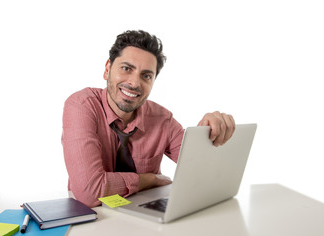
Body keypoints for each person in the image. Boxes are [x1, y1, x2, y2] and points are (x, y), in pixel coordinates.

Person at [62, 30, 235, 207]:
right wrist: (147, 180)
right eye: (126, 68)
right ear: (107, 69)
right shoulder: (81, 106)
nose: (135, 83)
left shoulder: (162, 119)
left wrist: (209, 134)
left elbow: (203, 168)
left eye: (146, 75)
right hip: (93, 219)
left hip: (146, 220)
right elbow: (89, 192)